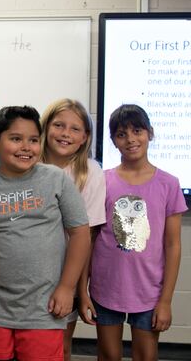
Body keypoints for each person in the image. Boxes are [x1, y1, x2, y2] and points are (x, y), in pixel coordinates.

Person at [0, 106, 90, 361]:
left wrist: (66, 287)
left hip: (44, 308)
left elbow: (81, 234)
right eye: (16, 139)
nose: (26, 147)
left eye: (33, 140)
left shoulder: (56, 179)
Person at [78, 104, 186, 360]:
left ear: (150, 132)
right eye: (121, 134)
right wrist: (82, 291)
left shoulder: (169, 184)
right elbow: (89, 239)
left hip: (149, 292)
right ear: (114, 141)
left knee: (146, 356)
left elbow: (173, 245)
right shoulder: (102, 180)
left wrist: (166, 301)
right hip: (106, 289)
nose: (131, 139)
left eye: (137, 130)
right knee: (109, 355)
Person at [40, 98, 107, 361]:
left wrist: (80, 291)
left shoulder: (90, 172)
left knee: (60, 346)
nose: (65, 133)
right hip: (28, 273)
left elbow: (87, 237)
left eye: (74, 129)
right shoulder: (28, 164)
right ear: (45, 128)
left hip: (65, 273)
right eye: (58, 125)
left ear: (85, 137)